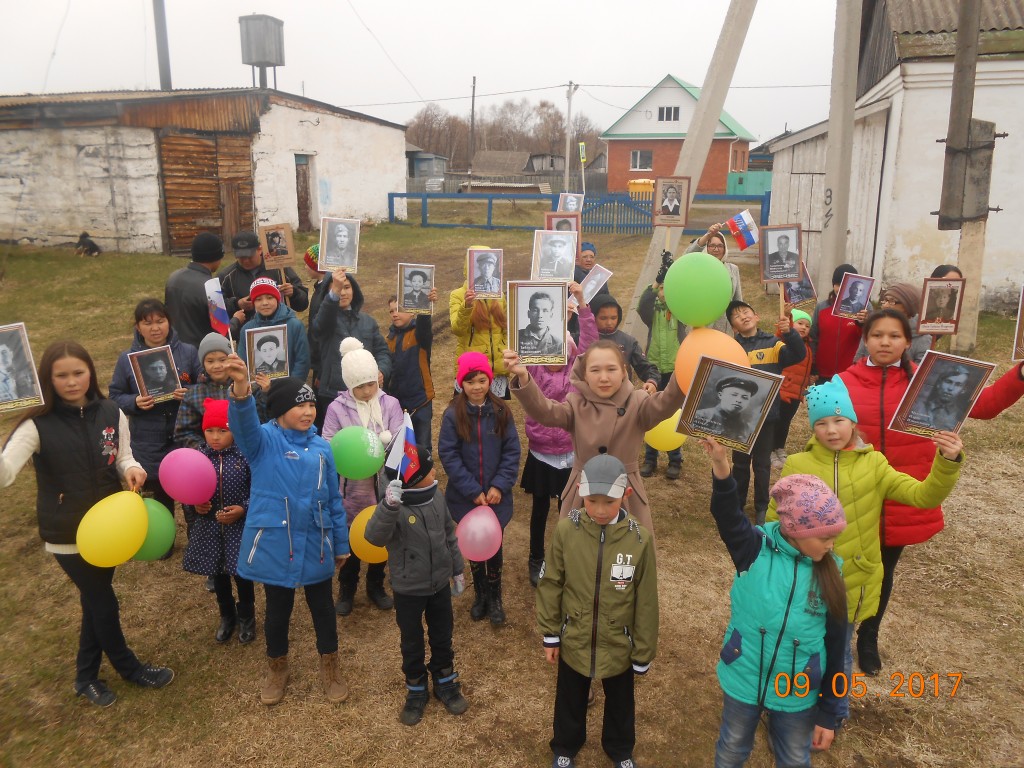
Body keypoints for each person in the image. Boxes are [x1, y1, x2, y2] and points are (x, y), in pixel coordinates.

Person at [766, 376, 964, 725]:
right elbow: (774, 522)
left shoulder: (875, 465)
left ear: (853, 422)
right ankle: (792, 709)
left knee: (839, 653)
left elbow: (923, 496)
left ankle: (833, 715)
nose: (831, 430)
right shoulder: (797, 464)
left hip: (852, 580)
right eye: (822, 423)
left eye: (839, 420)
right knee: (798, 649)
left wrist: (947, 461)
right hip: (805, 581)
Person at [839, 309, 1024, 676]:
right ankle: (837, 635)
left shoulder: (927, 381)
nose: (885, 342)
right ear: (866, 339)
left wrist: (1020, 374)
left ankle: (868, 637)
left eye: (894, 335)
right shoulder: (842, 382)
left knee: (883, 571)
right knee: (844, 569)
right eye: (877, 335)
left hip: (902, 493)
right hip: (855, 493)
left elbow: (986, 405)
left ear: (908, 341)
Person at [0, 341, 174, 708]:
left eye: (78, 373)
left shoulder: (111, 411)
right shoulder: (36, 425)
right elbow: (6, 472)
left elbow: (122, 457)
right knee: (103, 602)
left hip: (110, 529)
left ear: (90, 373)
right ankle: (129, 667)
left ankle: (85, 676)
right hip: (67, 535)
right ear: (48, 379)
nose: (71, 381)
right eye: (61, 375)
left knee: (94, 601)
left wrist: (132, 469)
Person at [702, 439, 848, 766]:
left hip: (797, 691)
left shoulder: (831, 574)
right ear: (795, 530)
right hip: (744, 677)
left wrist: (830, 712)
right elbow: (727, 515)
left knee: (794, 758)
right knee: (732, 749)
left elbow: (837, 646)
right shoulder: (754, 549)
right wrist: (721, 464)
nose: (831, 544)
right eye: (825, 536)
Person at [224, 364, 351, 707]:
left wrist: (341, 543)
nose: (309, 412)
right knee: (277, 610)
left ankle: (330, 666)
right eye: (300, 405)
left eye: (311, 405)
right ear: (280, 409)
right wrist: (241, 389)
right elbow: (242, 425)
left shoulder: (322, 448)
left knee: (323, 608)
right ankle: (277, 667)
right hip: (276, 543)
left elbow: (333, 499)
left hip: (316, 542)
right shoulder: (263, 441)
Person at [536, 454, 658, 768]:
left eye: (609, 502)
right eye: (592, 501)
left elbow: (646, 599)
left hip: (619, 642)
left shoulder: (640, 540)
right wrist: (551, 634)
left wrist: (643, 651)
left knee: (621, 701)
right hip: (574, 638)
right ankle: (565, 745)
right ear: (580, 492)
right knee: (569, 697)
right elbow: (551, 582)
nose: (600, 510)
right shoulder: (566, 531)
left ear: (626, 495)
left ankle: (620, 749)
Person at [506, 339, 685, 534]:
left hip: (626, 495)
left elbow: (667, 402)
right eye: (595, 370)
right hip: (583, 495)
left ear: (624, 371)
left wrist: (684, 370)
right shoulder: (575, 405)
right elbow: (546, 412)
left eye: (611, 369)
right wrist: (523, 375)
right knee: (580, 549)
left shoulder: (638, 403)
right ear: (584, 375)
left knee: (627, 549)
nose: (604, 378)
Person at [366, 447, 469, 726]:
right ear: (412, 477)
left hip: (439, 585)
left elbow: (449, 534)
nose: (435, 471)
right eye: (428, 469)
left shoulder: (437, 496)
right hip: (409, 589)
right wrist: (388, 507)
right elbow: (374, 537)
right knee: (411, 641)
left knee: (442, 635)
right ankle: (416, 687)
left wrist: (457, 569)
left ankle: (445, 680)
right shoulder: (394, 506)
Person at [521, 283, 597, 586]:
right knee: (539, 509)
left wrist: (582, 305)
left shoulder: (577, 373)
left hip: (571, 452)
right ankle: (536, 557)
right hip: (541, 452)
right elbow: (521, 346)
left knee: (569, 510)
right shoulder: (534, 369)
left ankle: (568, 557)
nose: (556, 355)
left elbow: (590, 342)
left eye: (563, 349)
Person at [438, 353, 521, 626]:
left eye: (482, 380)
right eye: (470, 381)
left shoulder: (501, 411)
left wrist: (499, 485)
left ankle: (495, 595)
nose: (476, 387)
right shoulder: (453, 415)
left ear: (490, 380)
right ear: (461, 383)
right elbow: (449, 455)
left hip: (496, 498)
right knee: (473, 543)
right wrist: (472, 490)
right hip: (467, 497)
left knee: (493, 544)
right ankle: (480, 593)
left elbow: (512, 451)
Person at [322, 338, 403, 616]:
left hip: (382, 485)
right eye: (360, 387)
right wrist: (352, 451)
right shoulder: (337, 408)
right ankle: (347, 587)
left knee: (381, 533)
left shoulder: (390, 404)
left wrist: (385, 445)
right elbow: (329, 441)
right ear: (349, 385)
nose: (367, 391)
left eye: (370, 384)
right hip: (352, 489)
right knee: (352, 535)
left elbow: (399, 438)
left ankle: (376, 584)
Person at [108, 298, 200, 541]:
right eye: (147, 323)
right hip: (148, 438)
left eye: (160, 321)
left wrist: (190, 393)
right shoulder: (127, 359)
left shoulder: (188, 352)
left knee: (190, 490)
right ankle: (163, 539)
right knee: (159, 495)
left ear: (169, 322)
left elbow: (205, 386)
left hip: (184, 433)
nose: (155, 328)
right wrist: (134, 402)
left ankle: (197, 538)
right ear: (138, 327)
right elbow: (114, 396)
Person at [180, 398, 256, 645]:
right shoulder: (199, 458)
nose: (215, 437)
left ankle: (247, 617)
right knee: (219, 574)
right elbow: (186, 489)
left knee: (242, 575)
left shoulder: (245, 457)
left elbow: (259, 490)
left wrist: (243, 508)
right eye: (209, 431)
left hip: (239, 528)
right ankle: (227, 616)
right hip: (210, 528)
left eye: (222, 431)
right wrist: (195, 505)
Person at [726, 300, 806, 524]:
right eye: (736, 316)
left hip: (766, 415)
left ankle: (761, 507)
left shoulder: (773, 343)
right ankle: (738, 504)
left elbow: (798, 354)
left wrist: (789, 333)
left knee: (762, 464)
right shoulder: (732, 348)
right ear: (733, 326)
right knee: (740, 464)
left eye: (746, 312)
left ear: (756, 316)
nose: (743, 316)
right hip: (740, 418)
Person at [312, 269, 392, 421]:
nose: (342, 293)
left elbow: (382, 352)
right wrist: (334, 293)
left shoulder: (368, 321)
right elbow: (319, 325)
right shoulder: (325, 320)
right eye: (337, 288)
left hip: (367, 392)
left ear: (354, 290)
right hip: (333, 394)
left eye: (347, 287)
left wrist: (382, 370)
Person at [637, 254, 689, 479]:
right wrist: (657, 280)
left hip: (676, 368)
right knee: (652, 411)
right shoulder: (652, 312)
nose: (664, 292)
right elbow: (642, 305)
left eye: (669, 289)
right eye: (661, 289)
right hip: (655, 368)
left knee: (673, 413)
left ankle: (675, 457)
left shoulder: (680, 312)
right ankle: (650, 458)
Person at [386, 289, 438, 451]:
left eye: (399, 309)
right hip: (397, 403)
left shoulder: (419, 335)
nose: (395, 314)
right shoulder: (389, 340)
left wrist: (425, 306)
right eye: (391, 311)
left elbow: (424, 325)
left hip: (421, 401)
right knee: (400, 448)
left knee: (422, 447)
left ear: (412, 312)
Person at [218, 230, 308, 321]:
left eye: (249, 256)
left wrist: (294, 293)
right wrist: (237, 304)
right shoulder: (226, 277)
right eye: (241, 257)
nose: (246, 261)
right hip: (246, 329)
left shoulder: (280, 268)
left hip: (281, 326)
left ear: (260, 249)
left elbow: (303, 304)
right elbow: (216, 311)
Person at [237, 277, 310, 383]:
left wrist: (292, 386)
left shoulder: (294, 326)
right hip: (258, 390)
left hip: (289, 388)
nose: (265, 303)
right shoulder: (247, 329)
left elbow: (302, 360)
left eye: (270, 297)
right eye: (258, 299)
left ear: (278, 299)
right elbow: (243, 362)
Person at [450, 270, 509, 396]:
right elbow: (457, 330)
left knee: (497, 409)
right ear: (468, 268)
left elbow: (506, 328)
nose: (486, 268)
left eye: (490, 264)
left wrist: (503, 349)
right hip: (471, 370)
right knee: (466, 409)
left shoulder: (500, 295)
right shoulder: (458, 294)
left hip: (497, 370)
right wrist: (466, 306)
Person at [164, 232, 225, 348]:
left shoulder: (173, 277)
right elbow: (222, 330)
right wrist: (237, 319)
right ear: (216, 257)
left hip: (173, 347)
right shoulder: (212, 287)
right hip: (200, 352)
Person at [809, 263, 867, 381]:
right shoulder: (822, 307)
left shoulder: (864, 309)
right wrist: (812, 364)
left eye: (846, 284)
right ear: (833, 285)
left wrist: (863, 323)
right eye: (838, 284)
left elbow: (868, 338)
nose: (841, 288)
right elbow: (813, 337)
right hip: (822, 371)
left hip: (851, 373)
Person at [589, 294, 660, 391]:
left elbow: (645, 367)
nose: (609, 323)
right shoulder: (582, 340)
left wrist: (652, 381)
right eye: (603, 318)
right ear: (592, 317)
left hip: (623, 395)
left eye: (613, 318)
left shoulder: (628, 341)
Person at [771, 308, 814, 469]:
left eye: (807, 326)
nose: (804, 327)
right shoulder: (784, 340)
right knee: (775, 421)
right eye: (800, 323)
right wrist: (787, 317)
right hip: (782, 390)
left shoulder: (807, 346)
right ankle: (769, 450)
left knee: (785, 422)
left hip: (796, 393)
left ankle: (779, 448)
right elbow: (781, 332)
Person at [853, 282, 931, 365]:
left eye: (892, 301)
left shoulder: (923, 338)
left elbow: (920, 371)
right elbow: (858, 360)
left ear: (907, 306)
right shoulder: (873, 327)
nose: (886, 306)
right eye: (885, 300)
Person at [685, 223, 743, 334]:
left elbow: (737, 300)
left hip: (725, 328)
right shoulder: (698, 267)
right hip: (700, 325)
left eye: (720, 246)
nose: (716, 249)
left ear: (725, 248)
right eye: (712, 246)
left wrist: (739, 323)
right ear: (707, 248)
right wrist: (708, 235)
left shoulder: (733, 269)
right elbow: (688, 256)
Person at [692, 376, 761, 443]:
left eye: (745, 397)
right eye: (734, 395)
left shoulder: (748, 429)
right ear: (720, 395)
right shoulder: (699, 416)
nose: (739, 400)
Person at [907, 363, 972, 432]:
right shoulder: (918, 407)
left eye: (958, 385)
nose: (950, 388)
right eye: (948, 382)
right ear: (939, 384)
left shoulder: (960, 416)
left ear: (963, 390)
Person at [568, 241, 609, 343]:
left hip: (597, 317)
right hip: (576, 320)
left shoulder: (600, 276)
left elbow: (607, 297)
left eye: (591, 257)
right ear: (578, 259)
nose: (589, 260)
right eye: (585, 257)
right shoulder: (571, 276)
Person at [519, 291, 564, 357]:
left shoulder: (559, 344)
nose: (540, 315)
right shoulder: (516, 337)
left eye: (545, 311)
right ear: (529, 314)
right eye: (535, 310)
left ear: (551, 315)